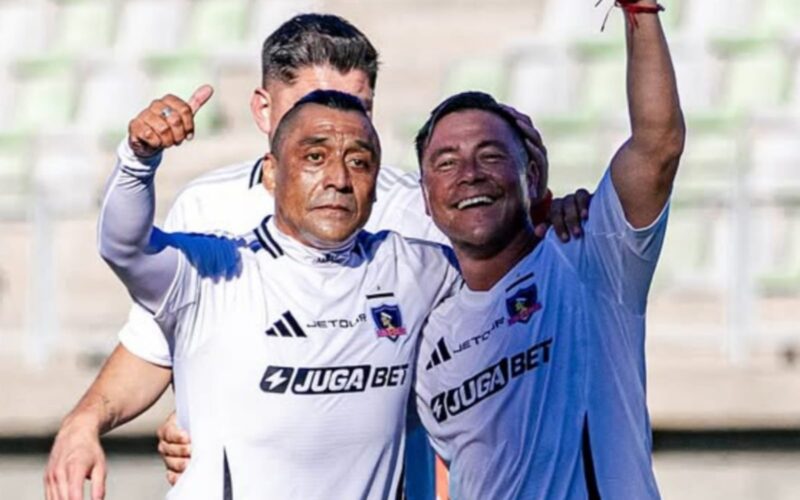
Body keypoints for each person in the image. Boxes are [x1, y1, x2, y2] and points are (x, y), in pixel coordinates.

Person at [44, 13, 587, 500]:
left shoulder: (419, 224)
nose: (338, 164)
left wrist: (550, 210)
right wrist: (87, 420)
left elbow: (502, 283)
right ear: (265, 114)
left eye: (359, 112)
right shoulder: (205, 213)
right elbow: (152, 334)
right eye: (313, 124)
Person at [95, 89, 464, 499]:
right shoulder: (217, 269)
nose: (339, 180)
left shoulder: (419, 271)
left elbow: (511, 260)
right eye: (314, 158)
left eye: (358, 163)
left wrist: (545, 207)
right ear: (271, 174)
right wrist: (138, 159)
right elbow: (124, 246)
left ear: (376, 185)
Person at [412, 1, 684, 498]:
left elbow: (658, 144)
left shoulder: (586, 257)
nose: (469, 173)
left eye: (491, 155)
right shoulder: (430, 332)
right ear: (427, 197)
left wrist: (639, 11)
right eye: (446, 162)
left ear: (532, 174)